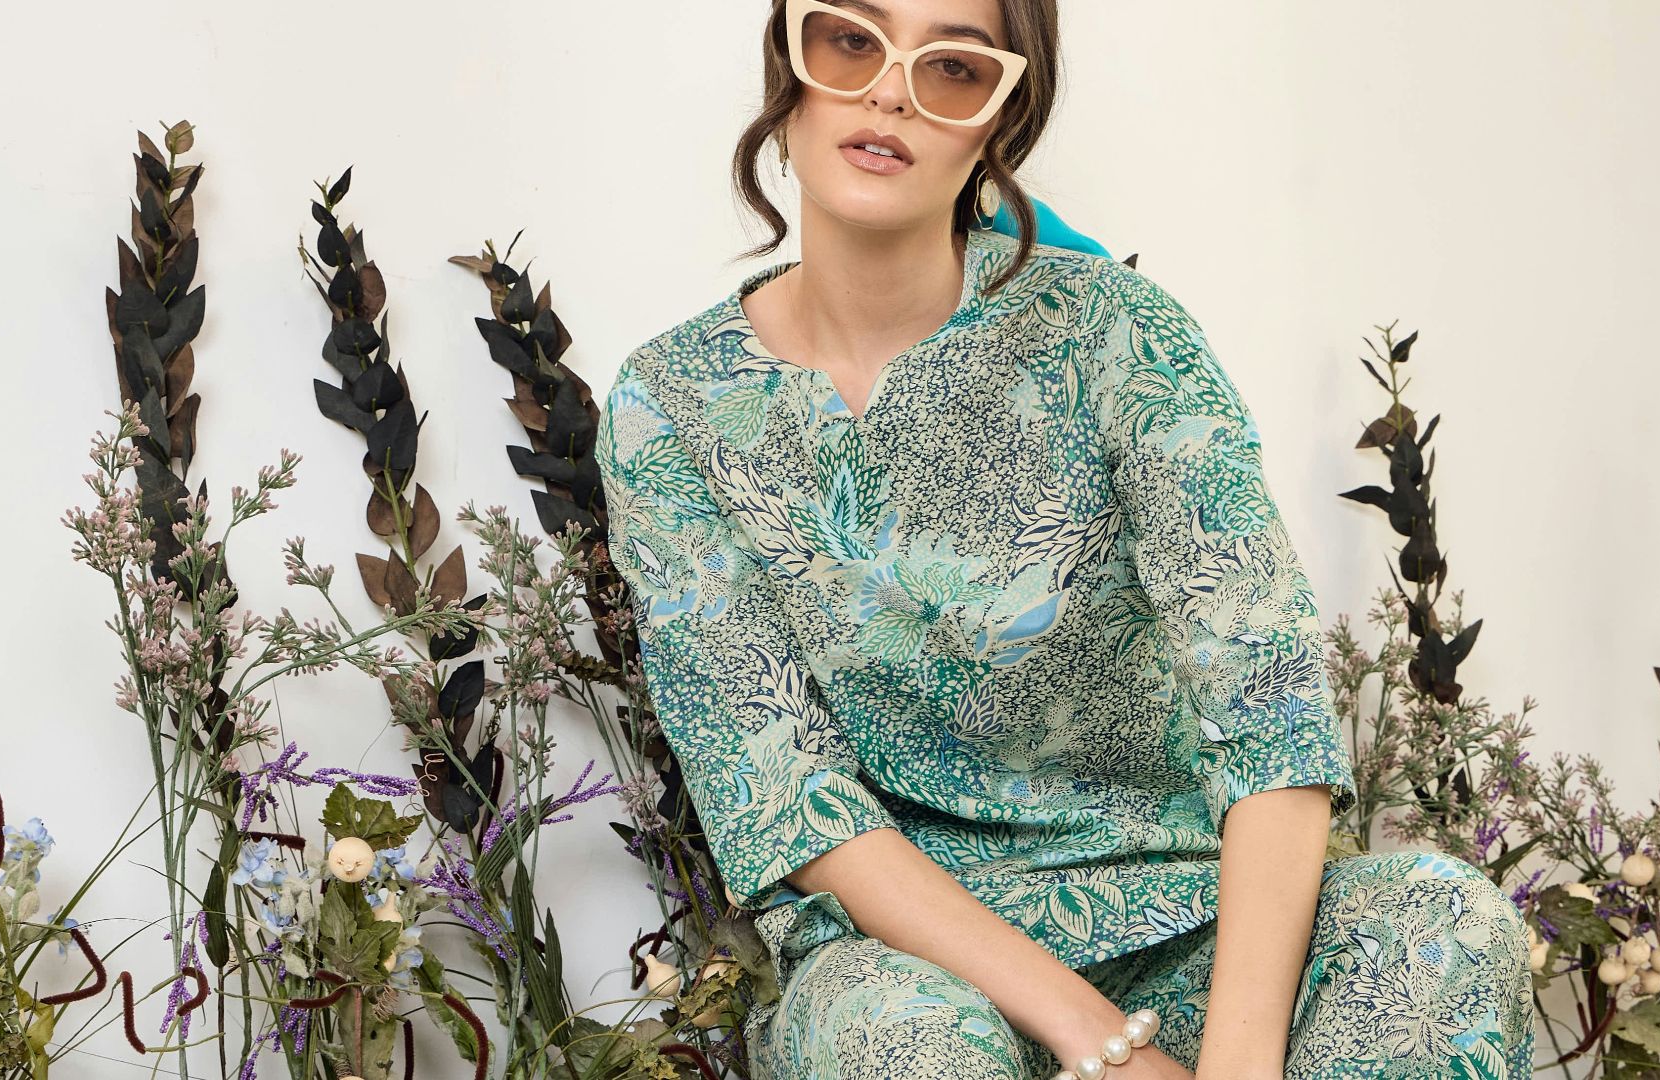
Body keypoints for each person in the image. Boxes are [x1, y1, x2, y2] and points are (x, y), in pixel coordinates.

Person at [593, 2, 1535, 1077]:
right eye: (850, 40)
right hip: (915, 973)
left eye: (952, 67)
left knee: (1439, 918)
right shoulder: (669, 406)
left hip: (1192, 930)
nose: (890, 92)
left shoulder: (1117, 334)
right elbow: (787, 796)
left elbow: (1269, 708)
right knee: (897, 1041)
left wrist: (1233, 1067)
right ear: (788, 62)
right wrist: (1105, 1046)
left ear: (1002, 113)